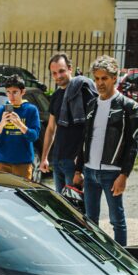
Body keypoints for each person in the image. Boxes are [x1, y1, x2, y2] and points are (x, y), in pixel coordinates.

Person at [73, 55, 138, 246]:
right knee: (89, 219)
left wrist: (124, 175)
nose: (100, 83)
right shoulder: (91, 104)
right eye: (96, 79)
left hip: (112, 174)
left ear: (114, 78)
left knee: (117, 221)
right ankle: (93, 254)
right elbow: (84, 139)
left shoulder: (129, 107)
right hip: (89, 170)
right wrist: (78, 170)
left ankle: (123, 257)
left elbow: (132, 144)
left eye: (104, 78)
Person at [40, 53, 96, 192]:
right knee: (62, 207)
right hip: (58, 160)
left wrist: (81, 164)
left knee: (77, 207)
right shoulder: (56, 96)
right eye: (54, 73)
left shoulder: (83, 90)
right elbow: (51, 128)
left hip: (75, 161)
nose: (58, 76)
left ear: (70, 69)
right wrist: (44, 157)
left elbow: (92, 128)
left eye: (61, 71)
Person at [0, 74, 40, 180]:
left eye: (15, 92)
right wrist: (2, 123)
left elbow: (34, 136)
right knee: (1, 194)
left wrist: (19, 124)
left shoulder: (31, 110)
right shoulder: (0, 111)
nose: (11, 96)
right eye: (8, 92)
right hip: (2, 162)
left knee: (22, 194)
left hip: (23, 163)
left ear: (23, 92)